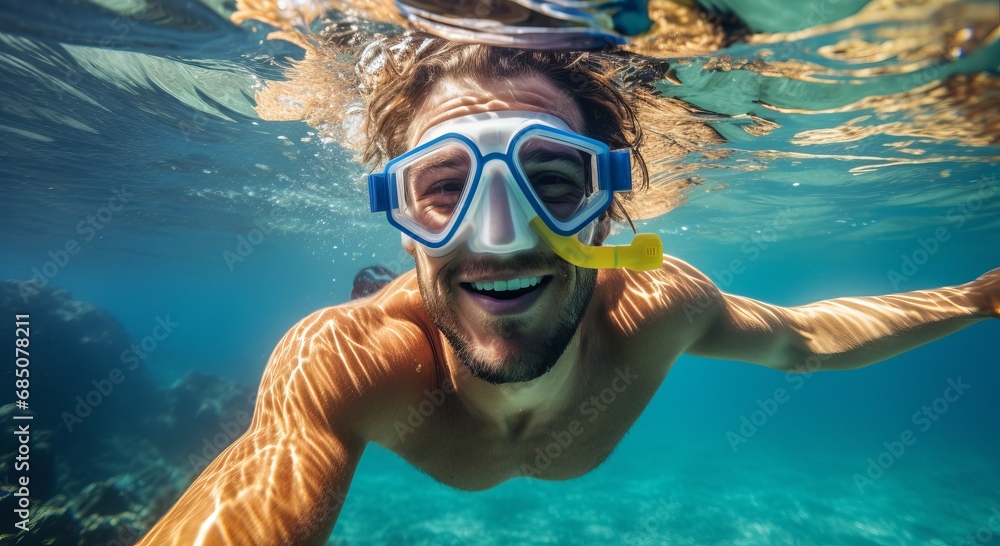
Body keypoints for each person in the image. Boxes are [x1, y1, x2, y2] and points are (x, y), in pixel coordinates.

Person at [140, 36, 998, 544]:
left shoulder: (660, 303)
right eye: (443, 188)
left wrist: (978, 298)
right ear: (400, 219)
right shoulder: (346, 361)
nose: (500, 233)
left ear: (607, 208)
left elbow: (803, 337)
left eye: (553, 182)